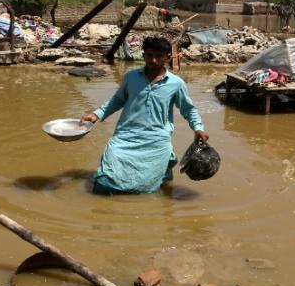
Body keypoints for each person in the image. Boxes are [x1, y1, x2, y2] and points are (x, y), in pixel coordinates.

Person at [81, 36, 209, 195]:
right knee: (106, 176)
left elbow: (188, 109)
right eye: (149, 55)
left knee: (154, 184)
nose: (153, 60)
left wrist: (198, 128)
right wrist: (97, 114)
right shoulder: (131, 77)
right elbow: (118, 100)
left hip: (157, 139)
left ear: (168, 57)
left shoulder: (176, 83)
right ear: (143, 55)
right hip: (125, 136)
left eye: (158, 56)